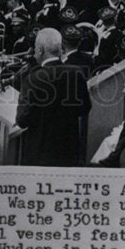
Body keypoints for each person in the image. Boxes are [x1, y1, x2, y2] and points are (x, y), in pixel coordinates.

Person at [16, 28, 91, 167]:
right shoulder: (76, 73)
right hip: (69, 152)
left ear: (40, 50)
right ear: (60, 49)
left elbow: (22, 120)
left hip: (39, 156)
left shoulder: (32, 79)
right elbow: (85, 109)